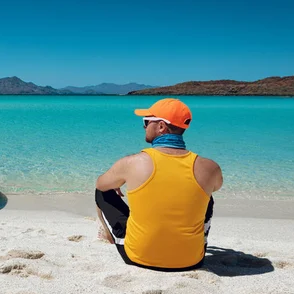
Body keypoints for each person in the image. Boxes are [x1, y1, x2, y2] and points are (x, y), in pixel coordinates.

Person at [95, 98, 223, 271]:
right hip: (192, 260)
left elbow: (100, 184)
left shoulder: (132, 163)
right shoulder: (210, 167)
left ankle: (107, 233)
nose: (144, 126)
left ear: (161, 126)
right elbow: (215, 187)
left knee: (102, 192)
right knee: (206, 197)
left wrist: (119, 179)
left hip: (138, 257)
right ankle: (198, 240)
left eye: (146, 121)